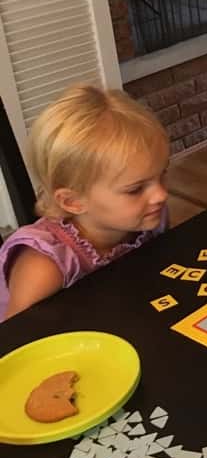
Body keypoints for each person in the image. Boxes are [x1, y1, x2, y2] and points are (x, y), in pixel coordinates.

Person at [0, 85, 170, 321]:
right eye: (135, 189)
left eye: (163, 174)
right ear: (73, 201)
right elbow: (16, 341)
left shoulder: (149, 217)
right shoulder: (44, 265)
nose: (161, 194)